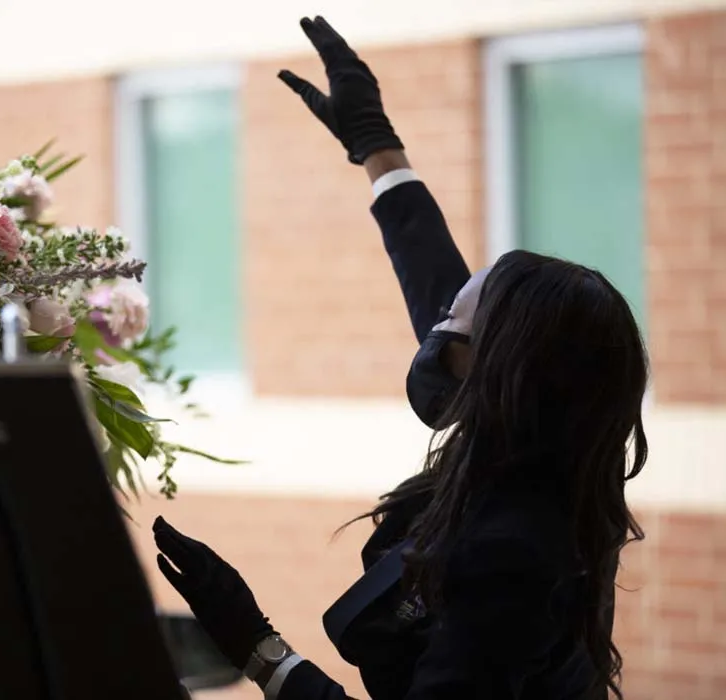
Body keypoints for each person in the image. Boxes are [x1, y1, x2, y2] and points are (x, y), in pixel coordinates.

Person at [152, 16, 648, 700]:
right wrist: (377, 148)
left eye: (452, 327)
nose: (436, 331)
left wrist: (258, 648)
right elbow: (436, 282)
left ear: (498, 371)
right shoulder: (539, 451)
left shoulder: (514, 554)